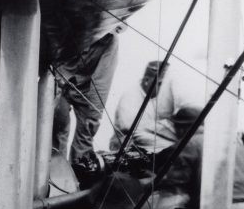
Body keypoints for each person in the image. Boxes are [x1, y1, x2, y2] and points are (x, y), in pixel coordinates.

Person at [53, 30, 120, 164]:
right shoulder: (73, 27)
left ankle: (79, 175)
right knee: (55, 129)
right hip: (62, 82)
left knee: (84, 137)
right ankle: (55, 174)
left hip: (87, 91)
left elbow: (101, 82)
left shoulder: (110, 41)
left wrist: (93, 117)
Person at [109, 59, 178, 154]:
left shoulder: (164, 95)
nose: (164, 87)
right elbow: (135, 130)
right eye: (160, 84)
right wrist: (165, 128)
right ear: (146, 80)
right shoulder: (130, 96)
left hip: (153, 147)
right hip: (128, 149)